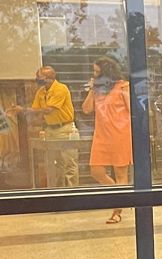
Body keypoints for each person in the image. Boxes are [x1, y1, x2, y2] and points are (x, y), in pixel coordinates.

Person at [9, 66, 79, 187]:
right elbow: (36, 110)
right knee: (57, 165)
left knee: (69, 165)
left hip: (65, 129)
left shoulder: (60, 89)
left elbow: (48, 110)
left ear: (49, 78)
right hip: (50, 129)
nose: (37, 80)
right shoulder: (41, 91)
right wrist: (19, 113)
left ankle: (73, 196)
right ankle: (59, 194)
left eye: (39, 78)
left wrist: (24, 109)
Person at [82, 56, 132, 223]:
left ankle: (117, 211)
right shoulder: (98, 89)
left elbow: (134, 109)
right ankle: (121, 197)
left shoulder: (123, 86)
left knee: (120, 173)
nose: (94, 74)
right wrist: (91, 89)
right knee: (96, 171)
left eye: (97, 71)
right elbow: (86, 109)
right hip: (101, 135)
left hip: (120, 133)